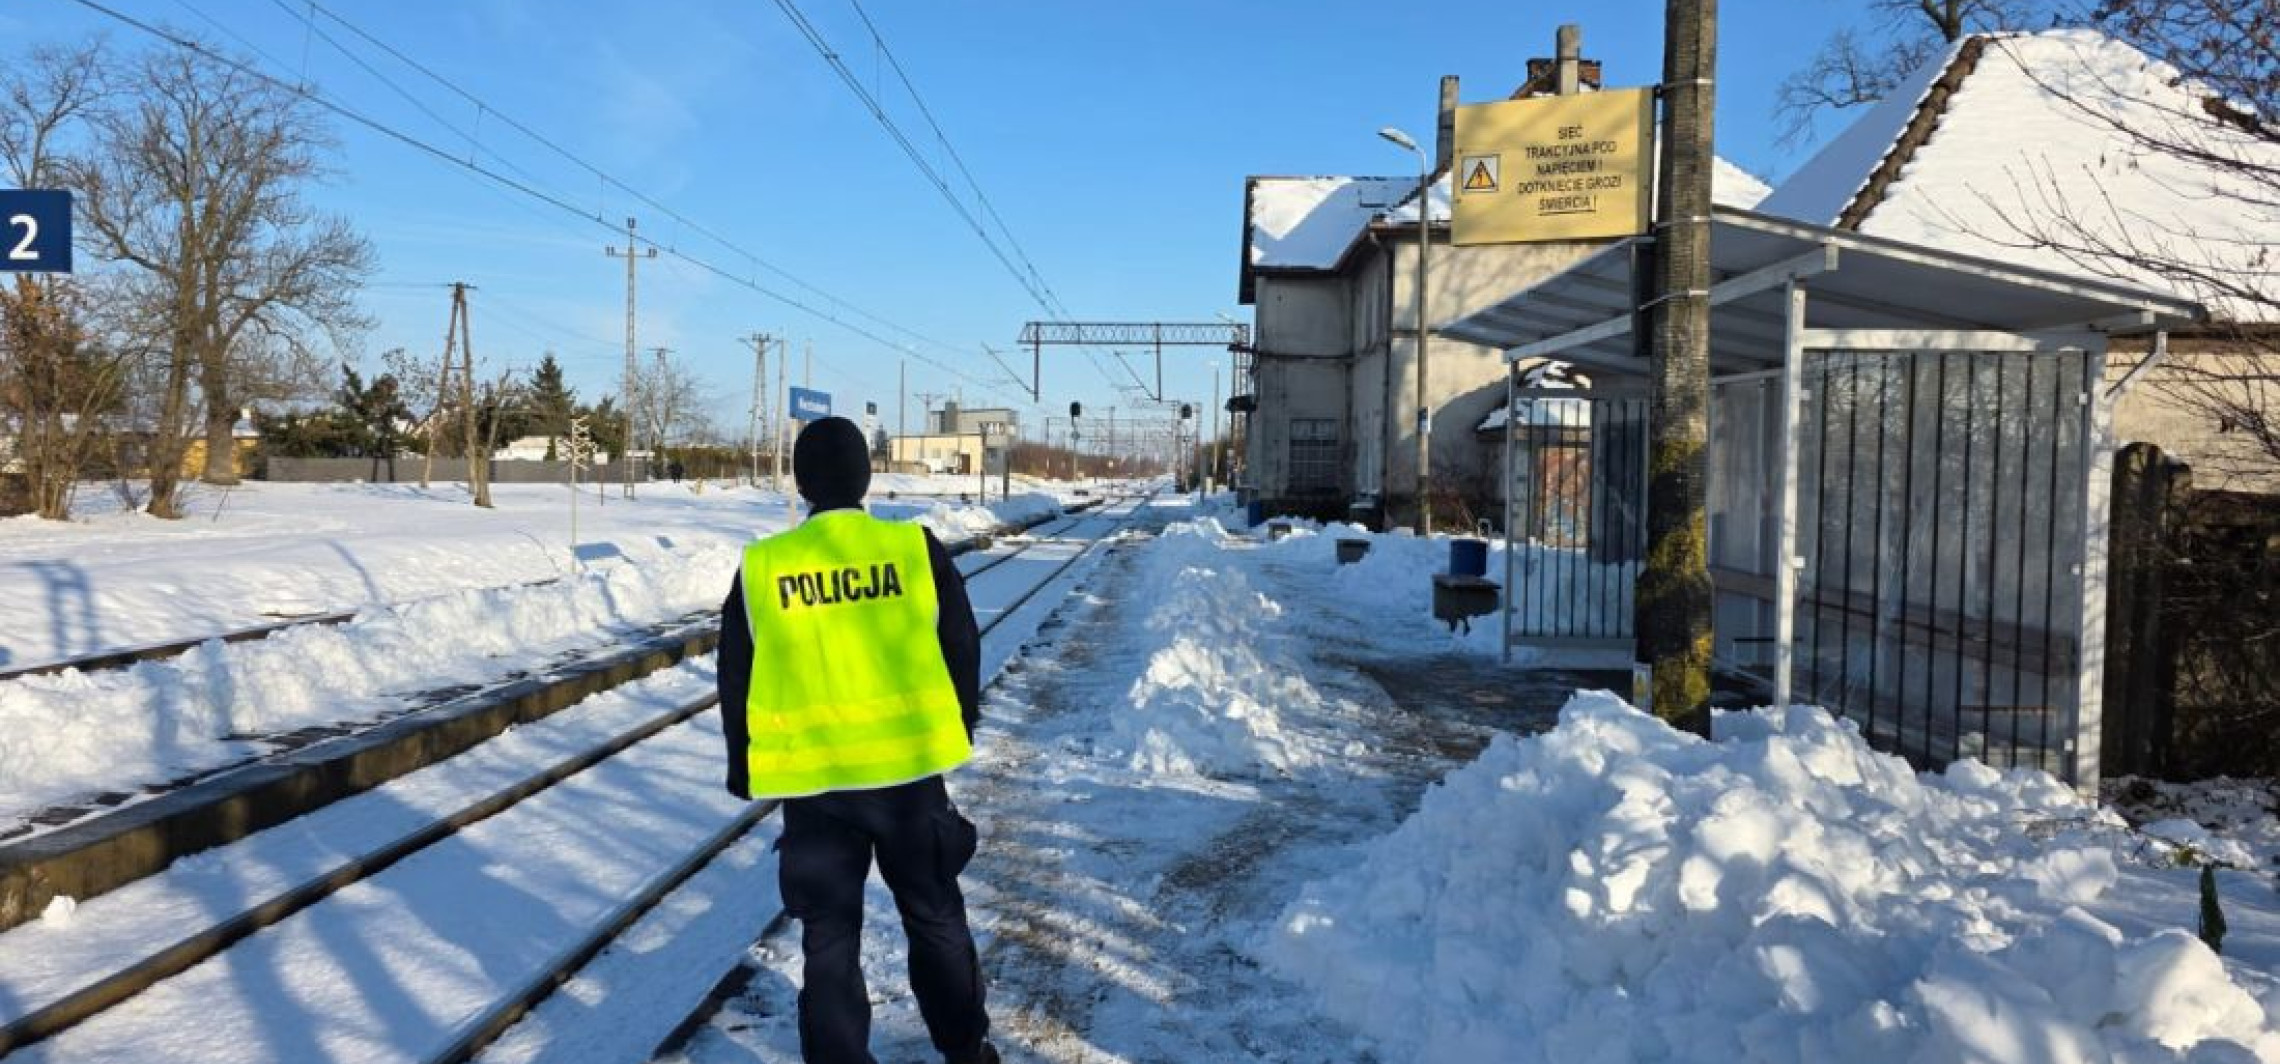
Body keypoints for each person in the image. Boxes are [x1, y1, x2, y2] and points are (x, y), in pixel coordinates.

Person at [716, 416, 998, 1064]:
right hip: (908, 778)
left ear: (802, 481)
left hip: (815, 788)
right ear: (866, 479)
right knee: (934, 917)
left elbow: (735, 673)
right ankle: (965, 1048)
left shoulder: (763, 567)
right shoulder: (913, 550)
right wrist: (958, 724)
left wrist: (744, 763)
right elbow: (961, 642)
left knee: (829, 940)